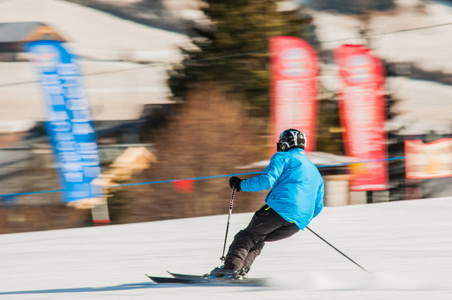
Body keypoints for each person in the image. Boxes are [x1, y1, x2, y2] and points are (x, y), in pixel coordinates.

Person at [209, 128, 324, 278]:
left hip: (279, 209)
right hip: (298, 222)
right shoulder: (315, 170)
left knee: (246, 236)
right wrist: (300, 216)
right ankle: (240, 271)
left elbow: (267, 180)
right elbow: (318, 206)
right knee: (257, 237)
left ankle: (229, 270)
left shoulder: (282, 157)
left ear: (286, 143)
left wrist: (241, 184)